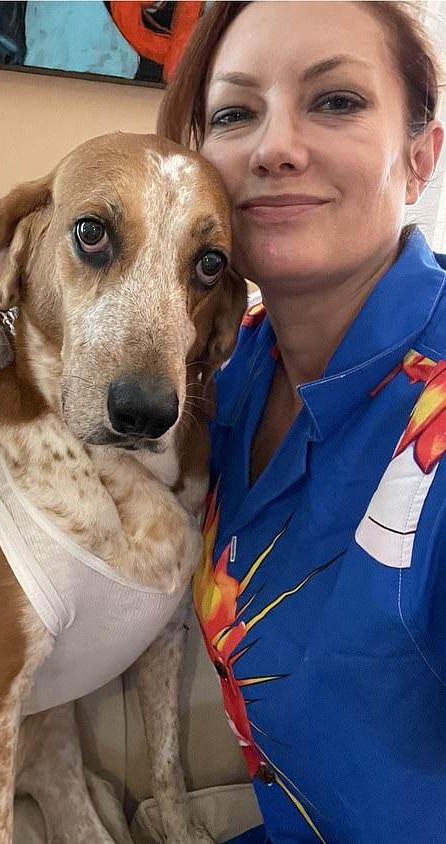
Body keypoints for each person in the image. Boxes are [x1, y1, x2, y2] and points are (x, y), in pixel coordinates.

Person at [157, 2, 445, 843]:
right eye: (235, 114)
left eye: (337, 101)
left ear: (421, 157)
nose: (275, 147)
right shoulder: (231, 364)